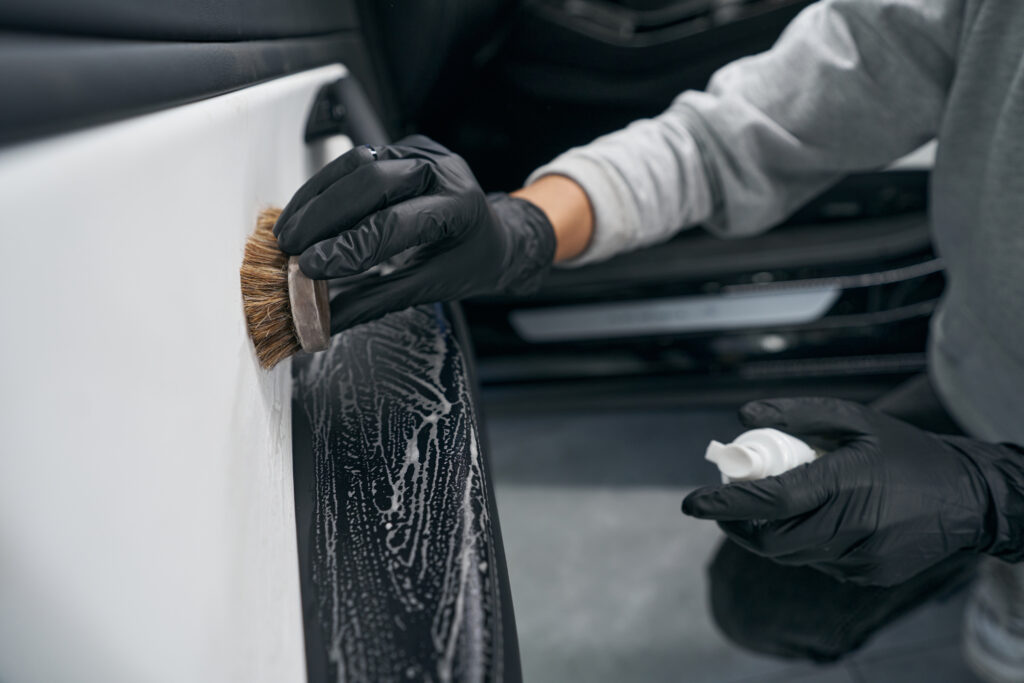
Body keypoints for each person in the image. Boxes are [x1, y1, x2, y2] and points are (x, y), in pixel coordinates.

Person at [272, 0, 1024, 678]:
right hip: (981, 383)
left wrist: (994, 499)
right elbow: (723, 138)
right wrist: (524, 226)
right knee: (763, 597)